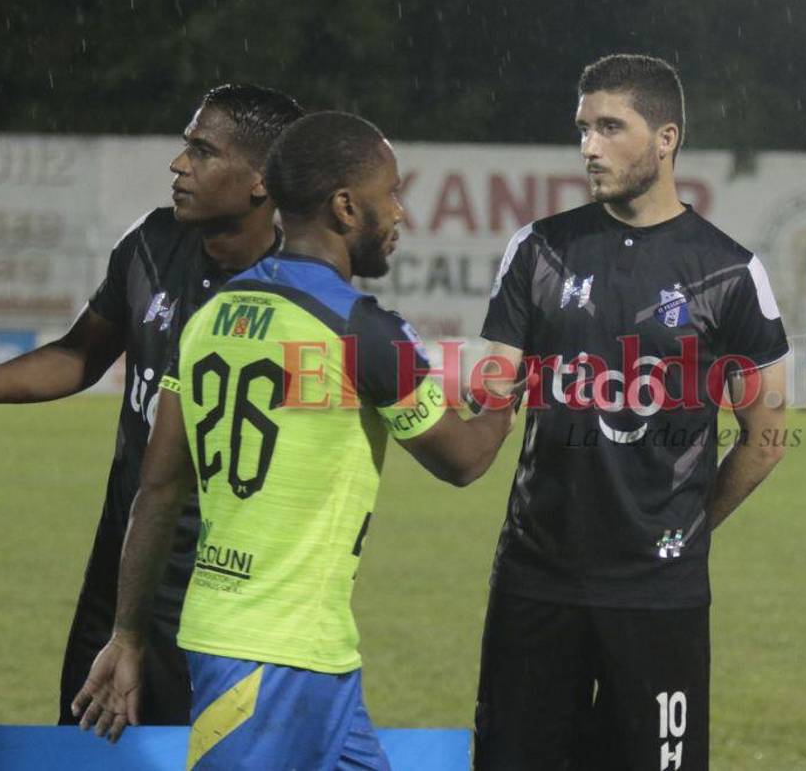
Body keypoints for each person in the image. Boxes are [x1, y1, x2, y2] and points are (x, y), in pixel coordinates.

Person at [71, 111, 519, 769]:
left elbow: (160, 487)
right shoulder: (364, 331)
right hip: (270, 659)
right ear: (345, 207)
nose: (400, 213)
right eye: (390, 194)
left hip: (310, 653)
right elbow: (463, 458)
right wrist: (508, 386)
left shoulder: (210, 315)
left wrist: (129, 634)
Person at [473, 54, 789, 770]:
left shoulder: (730, 273)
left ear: (667, 137)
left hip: (657, 598)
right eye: (583, 128)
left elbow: (766, 439)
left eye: (610, 127)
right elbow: (491, 387)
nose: (589, 146)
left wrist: (684, 526)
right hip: (535, 580)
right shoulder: (541, 250)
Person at [0, 83, 304, 725]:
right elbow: (80, 355)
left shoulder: (299, 293)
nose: (179, 165)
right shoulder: (153, 243)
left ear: (261, 180)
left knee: (203, 754)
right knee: (88, 742)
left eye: (202, 151)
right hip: (122, 566)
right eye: (186, 145)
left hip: (224, 589)